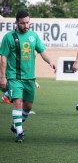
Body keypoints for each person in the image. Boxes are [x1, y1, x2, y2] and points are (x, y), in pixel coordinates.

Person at [0, 10, 56, 142]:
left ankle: (16, 125)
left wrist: (50, 62)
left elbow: (42, 51)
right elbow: (3, 58)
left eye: (27, 22)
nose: (26, 25)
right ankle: (19, 132)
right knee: (17, 102)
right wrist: (3, 77)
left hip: (30, 78)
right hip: (14, 77)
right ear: (16, 23)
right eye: (23, 23)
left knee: (28, 106)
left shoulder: (33, 36)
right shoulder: (9, 37)